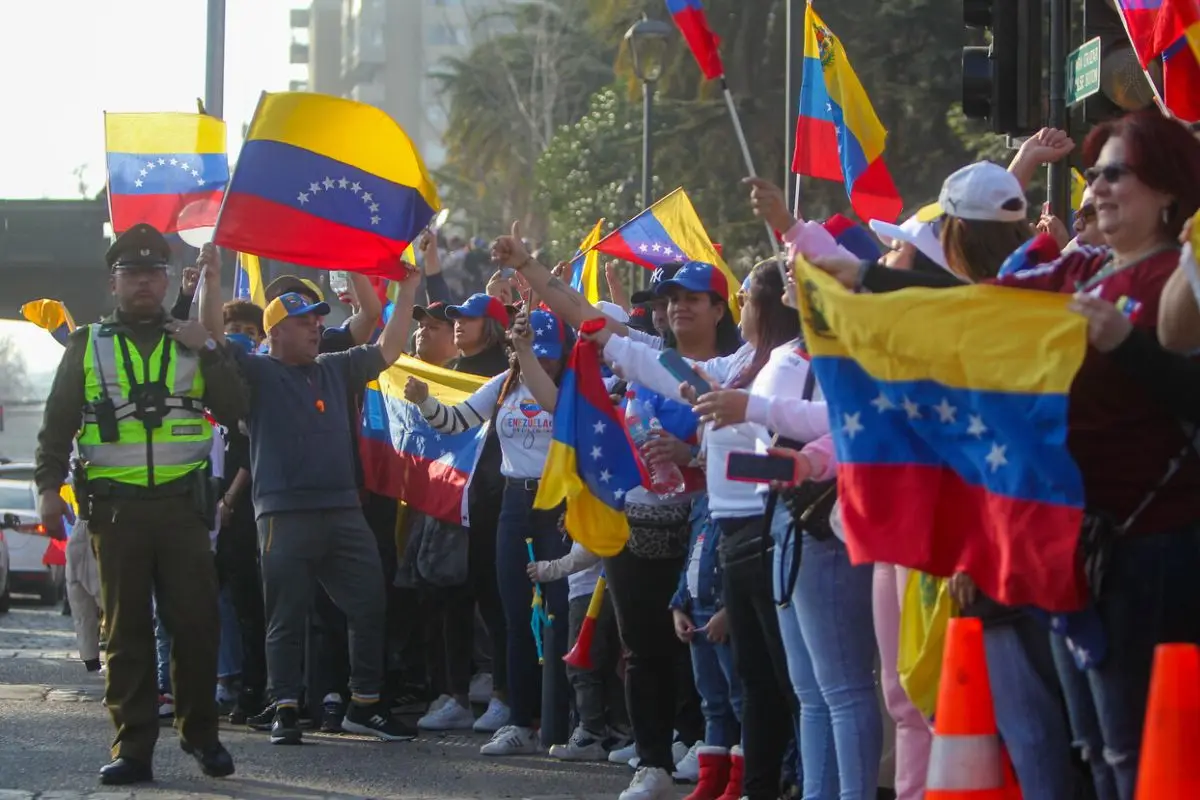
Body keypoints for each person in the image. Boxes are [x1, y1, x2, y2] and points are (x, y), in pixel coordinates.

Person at [34, 225, 246, 785]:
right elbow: (56, 426)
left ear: (169, 280)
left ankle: (202, 736)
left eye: (154, 273)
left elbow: (236, 410)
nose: (145, 283)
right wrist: (46, 489)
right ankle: (133, 748)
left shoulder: (192, 340)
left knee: (196, 627)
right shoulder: (87, 344)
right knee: (124, 633)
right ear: (114, 282)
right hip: (117, 513)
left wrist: (213, 348)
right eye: (133, 274)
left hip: (182, 509)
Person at [198, 255, 421, 745]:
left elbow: (388, 348)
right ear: (275, 331)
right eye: (304, 322)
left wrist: (408, 290)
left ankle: (364, 704)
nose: (317, 328)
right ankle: (284, 707)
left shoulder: (335, 367)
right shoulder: (255, 373)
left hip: (343, 510)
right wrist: (211, 283)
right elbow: (211, 339)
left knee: (368, 603)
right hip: (283, 514)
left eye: (319, 320)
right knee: (286, 616)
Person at [404, 308, 573, 757]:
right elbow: (455, 420)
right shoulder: (503, 386)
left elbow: (555, 404)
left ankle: (564, 720)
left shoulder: (570, 387)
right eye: (536, 354)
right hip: (514, 504)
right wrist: (423, 399)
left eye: (551, 356)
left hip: (559, 502)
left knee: (559, 614)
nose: (544, 362)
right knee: (515, 614)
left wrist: (530, 359)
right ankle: (520, 722)